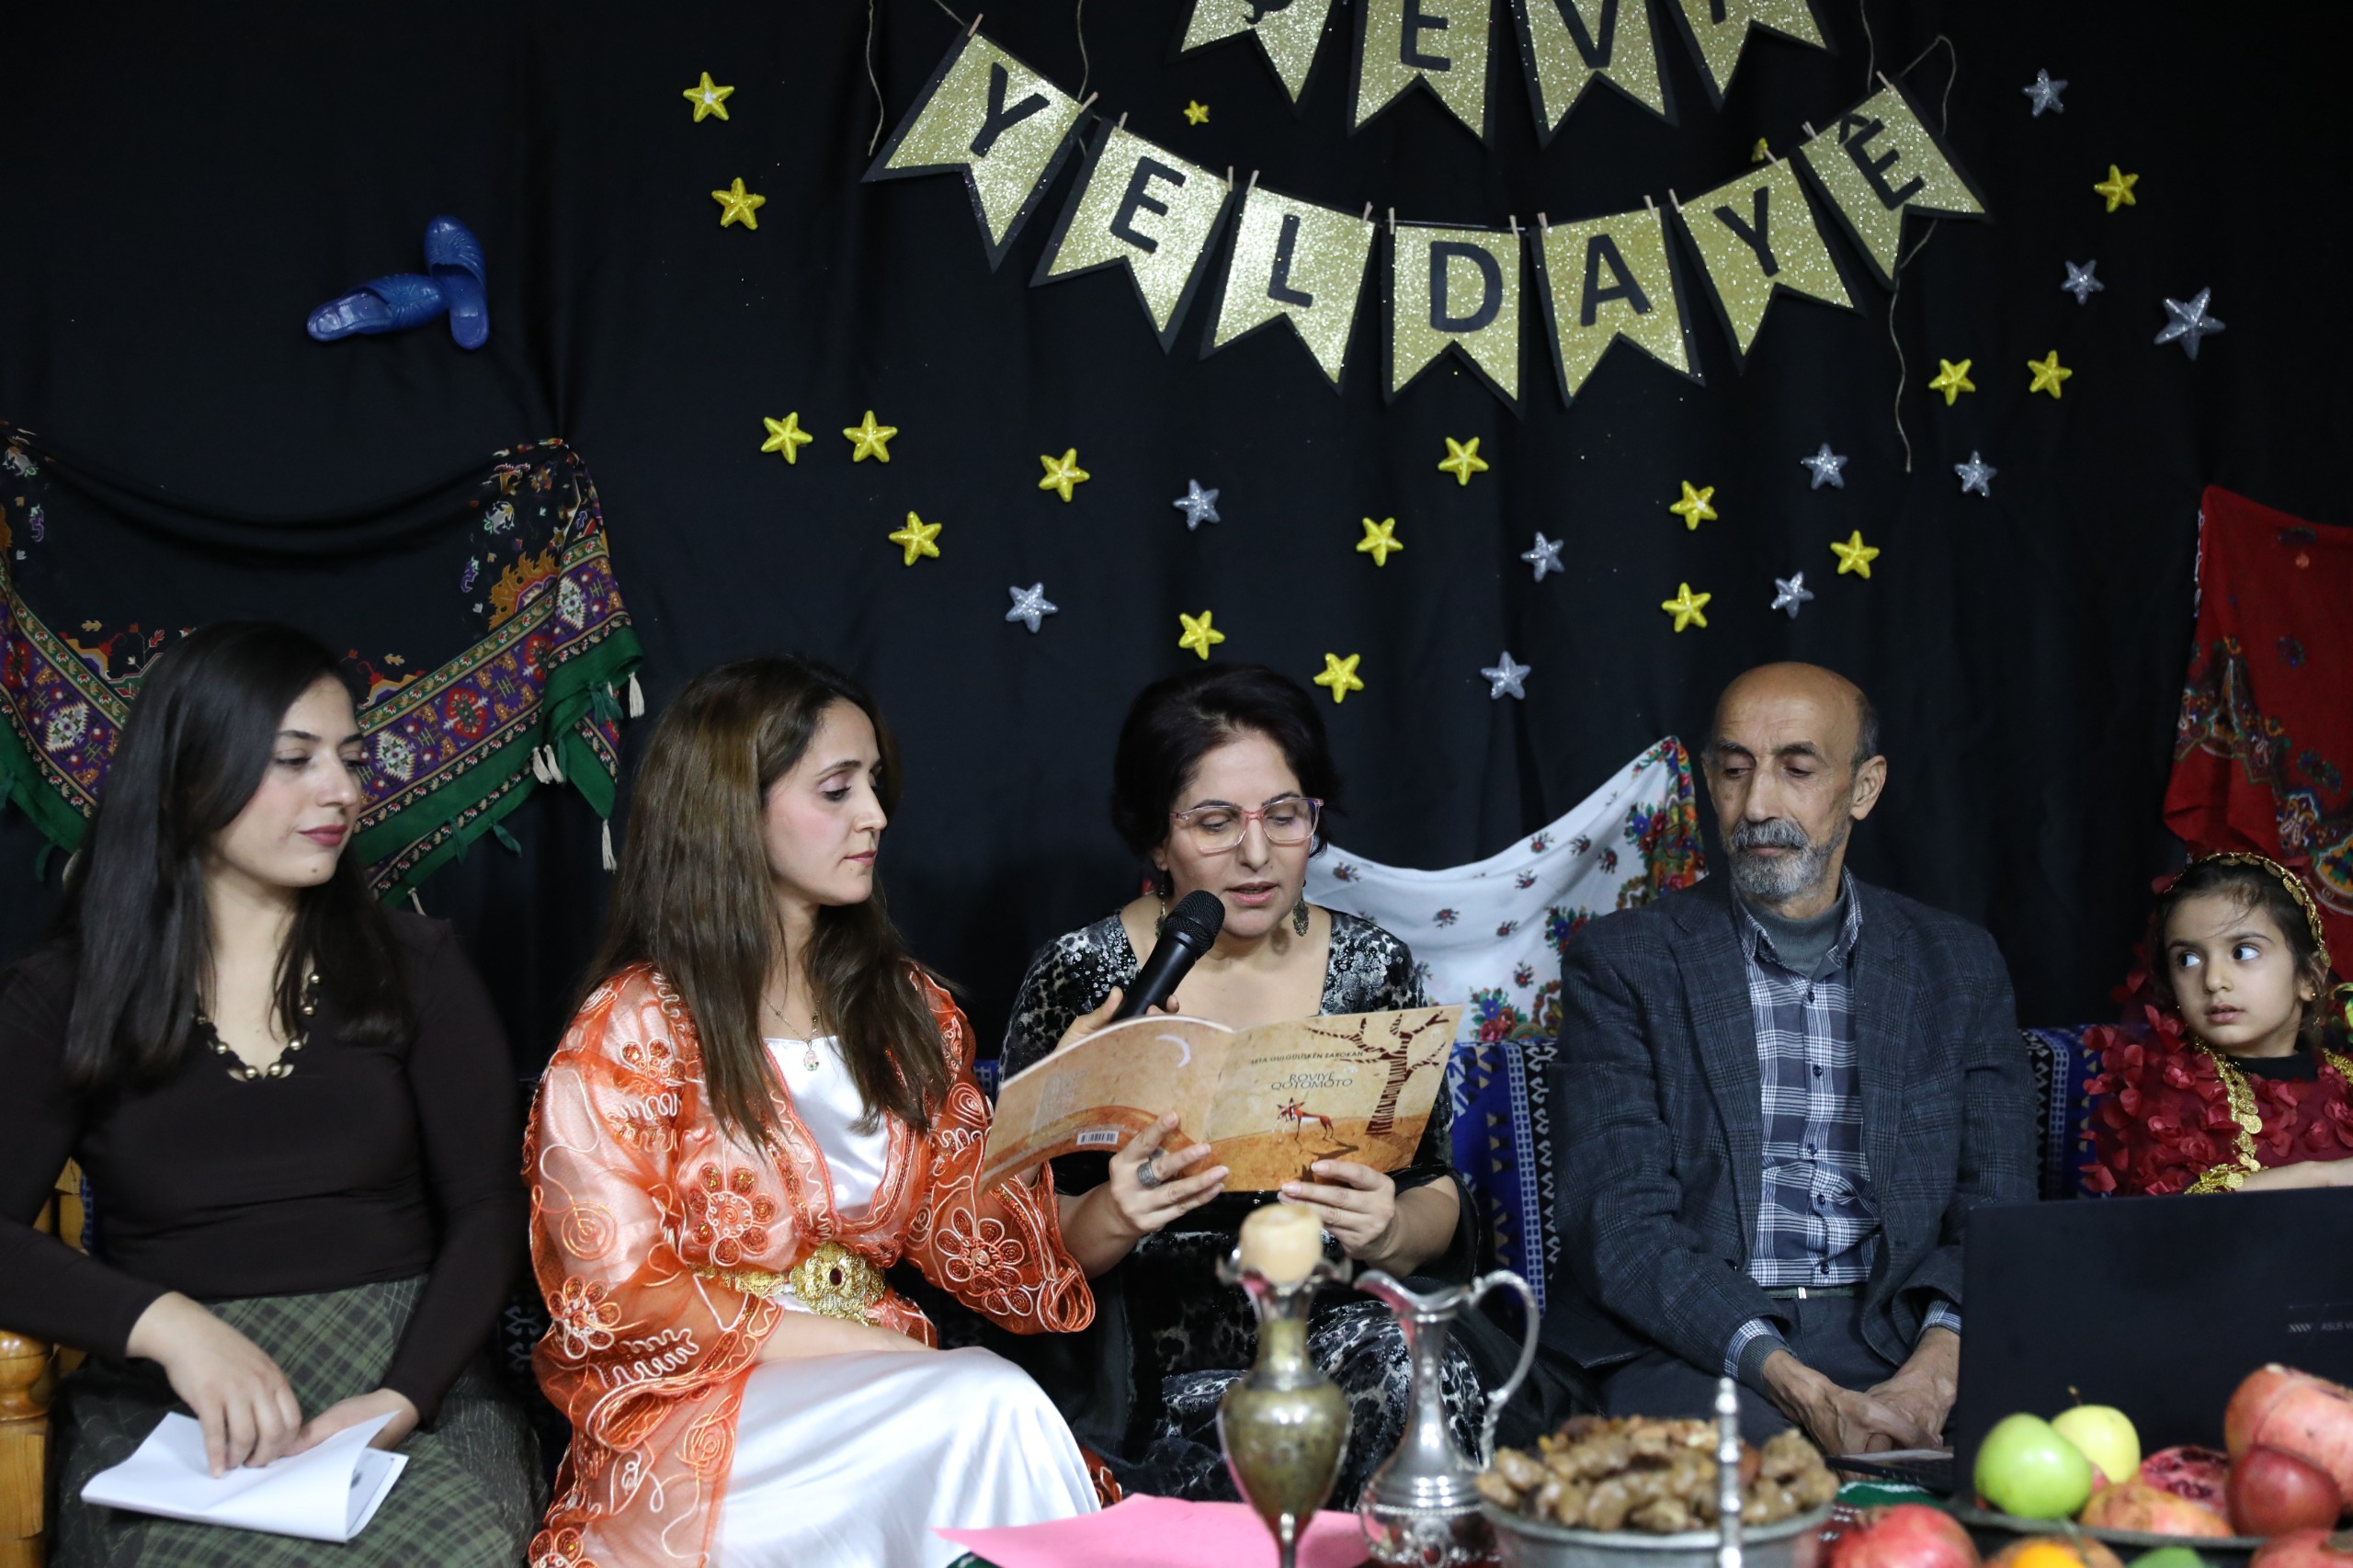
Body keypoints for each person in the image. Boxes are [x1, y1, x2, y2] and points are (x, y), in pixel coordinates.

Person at [525, 655, 1098, 1568]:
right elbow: (617, 1291)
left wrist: (1112, 1191)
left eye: (873, 783)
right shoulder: (634, 1025)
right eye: (837, 789)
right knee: (985, 1400)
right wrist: (872, 1347)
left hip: (887, 1385)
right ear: (731, 810)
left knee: (988, 1404)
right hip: (705, 1409)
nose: (875, 814)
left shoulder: (906, 1008)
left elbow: (974, 1233)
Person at [0, 621, 540, 1567]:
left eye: (349, 758)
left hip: (407, 1369)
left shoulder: (417, 966)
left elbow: (491, 1207)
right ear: (185, 775)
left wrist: (405, 1394)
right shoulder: (68, 993)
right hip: (177, 1403)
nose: (342, 790)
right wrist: (168, 1326)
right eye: (294, 760)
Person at [998, 663, 1481, 1503]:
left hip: (1333, 1331)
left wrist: (1389, 1229)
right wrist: (1115, 1213)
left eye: (1284, 817)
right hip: (1132, 1360)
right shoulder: (1083, 975)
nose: (1256, 855)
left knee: (1408, 1368)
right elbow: (1009, 1237)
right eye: (1216, 823)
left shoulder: (1373, 966)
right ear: (1157, 839)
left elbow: (1432, 1188)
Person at [1541, 662, 2036, 1453]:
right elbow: (1621, 1226)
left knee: (2054, 1457)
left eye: (1797, 769)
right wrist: (1802, 1389)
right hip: (1702, 1343)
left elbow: (1997, 1205)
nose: (1758, 805)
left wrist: (1933, 1376)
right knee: (1740, 1488)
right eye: (1735, 770)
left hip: (1908, 1330)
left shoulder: (1956, 964)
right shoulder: (1625, 962)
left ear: (1864, 787)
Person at [2085, 852, 2353, 1194]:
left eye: (2243, 952)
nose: (2213, 980)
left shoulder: (2346, 1080)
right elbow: (2176, 1207)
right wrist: (2323, 1177)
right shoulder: (2169, 1091)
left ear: (2309, 978)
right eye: (2188, 959)